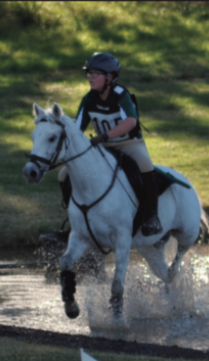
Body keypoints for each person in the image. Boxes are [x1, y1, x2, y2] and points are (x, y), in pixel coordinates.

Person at [40, 52, 162, 243]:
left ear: (110, 77)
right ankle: (75, 222)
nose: (90, 77)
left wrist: (105, 136)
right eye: (89, 73)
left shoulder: (121, 95)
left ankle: (151, 216)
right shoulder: (88, 99)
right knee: (63, 174)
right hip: (102, 146)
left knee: (146, 165)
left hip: (129, 143)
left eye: (95, 74)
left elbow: (131, 121)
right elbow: (77, 128)